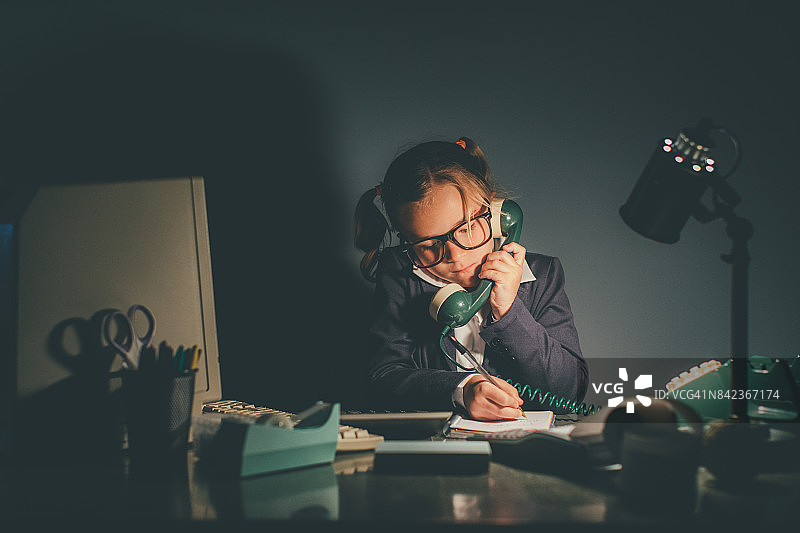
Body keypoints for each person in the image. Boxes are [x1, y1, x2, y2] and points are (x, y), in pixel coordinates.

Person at [354, 137, 588, 420]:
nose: (455, 256)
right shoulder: (401, 277)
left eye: (466, 228)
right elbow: (382, 377)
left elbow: (569, 391)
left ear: (497, 215)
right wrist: (460, 389)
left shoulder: (543, 275)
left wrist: (509, 312)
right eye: (429, 245)